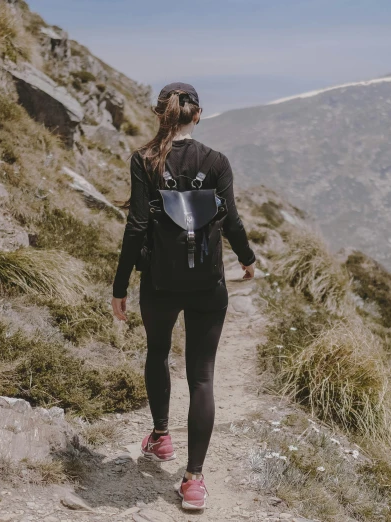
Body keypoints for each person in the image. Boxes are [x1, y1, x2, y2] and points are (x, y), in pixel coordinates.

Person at [111, 82, 256, 511]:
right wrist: (247, 260)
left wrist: (120, 287)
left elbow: (137, 227)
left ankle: (160, 438)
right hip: (208, 284)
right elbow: (230, 220)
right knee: (203, 378)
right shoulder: (216, 161)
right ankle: (193, 480)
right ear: (198, 115)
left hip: (159, 282)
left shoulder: (145, 160)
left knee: (157, 354)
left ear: (162, 115)